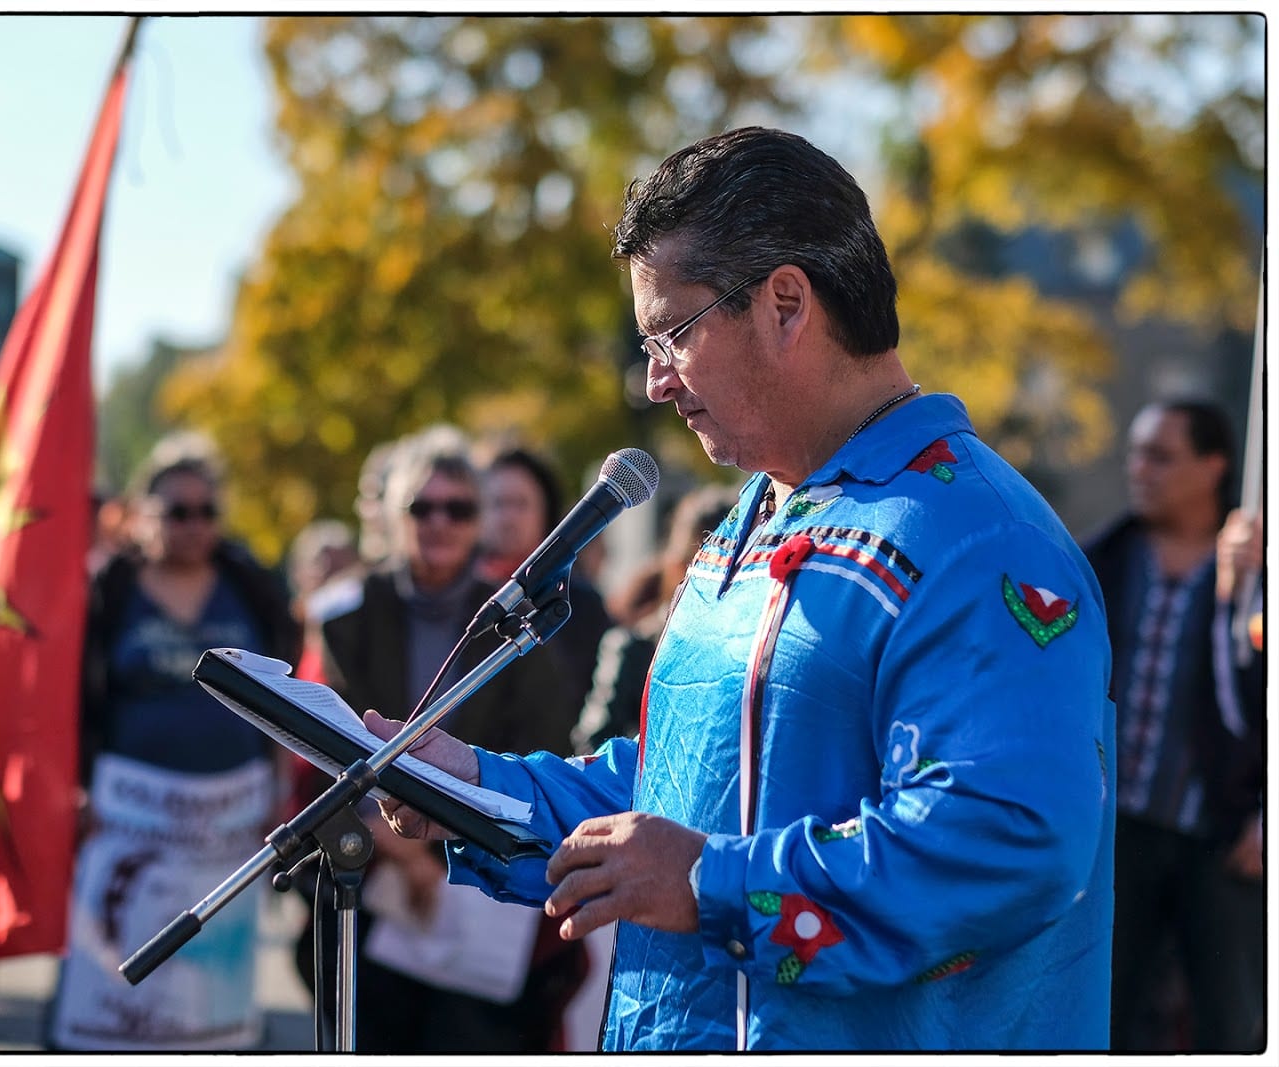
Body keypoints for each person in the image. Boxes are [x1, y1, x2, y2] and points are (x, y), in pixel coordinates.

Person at [364, 126, 1116, 1051]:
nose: (652, 382)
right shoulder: (752, 521)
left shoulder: (979, 541)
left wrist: (711, 886)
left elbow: (1009, 838)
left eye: (671, 333)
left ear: (787, 303)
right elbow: (681, 792)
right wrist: (476, 788)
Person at [298, 428, 585, 1053]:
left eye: (457, 508)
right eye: (421, 507)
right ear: (392, 516)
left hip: (476, 878)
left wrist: (439, 859)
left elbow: (539, 746)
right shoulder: (345, 614)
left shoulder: (516, 622)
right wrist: (403, 857)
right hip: (367, 870)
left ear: (478, 520)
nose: (439, 522)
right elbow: (325, 744)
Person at [47, 432, 300, 1051]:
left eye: (206, 511)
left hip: (229, 823)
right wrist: (75, 789)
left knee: (210, 979)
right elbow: (76, 699)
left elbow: (286, 696)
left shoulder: (250, 586)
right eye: (176, 511)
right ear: (142, 515)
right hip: (125, 818)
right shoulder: (109, 593)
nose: (193, 525)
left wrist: (277, 781)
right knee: (116, 967)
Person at [1083, 399, 1264, 1053]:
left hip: (1220, 839)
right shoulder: (1101, 561)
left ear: (1214, 466)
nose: (1140, 469)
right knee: (1101, 1016)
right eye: (1136, 452)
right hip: (1115, 834)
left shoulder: (1254, 575)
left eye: (1161, 455)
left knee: (1231, 1024)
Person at [571, 483, 738, 755]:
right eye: (707, 567)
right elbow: (591, 745)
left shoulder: (748, 654)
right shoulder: (634, 647)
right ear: (676, 567)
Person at [476, 445, 614, 715]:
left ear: (546, 511)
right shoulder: (460, 594)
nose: (508, 518)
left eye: (520, 504)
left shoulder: (579, 602)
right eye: (498, 503)